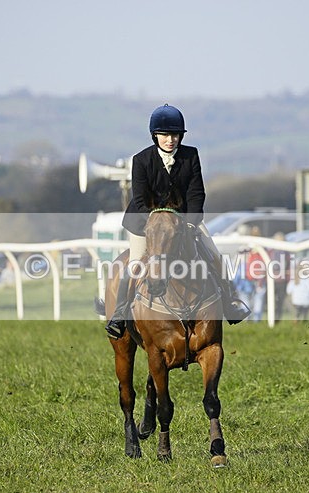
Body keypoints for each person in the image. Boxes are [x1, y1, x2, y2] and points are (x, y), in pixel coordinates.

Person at [105, 104, 250, 338]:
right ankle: (120, 314)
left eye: (175, 135)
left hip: (184, 221)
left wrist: (191, 223)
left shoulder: (190, 155)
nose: (171, 140)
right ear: (155, 136)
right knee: (134, 264)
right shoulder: (141, 160)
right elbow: (140, 200)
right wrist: (156, 223)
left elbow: (196, 194)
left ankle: (229, 303)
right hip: (145, 223)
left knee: (214, 255)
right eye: (165, 135)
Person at [269, 232, 292, 321]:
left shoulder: (286, 252)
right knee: (272, 300)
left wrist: (289, 277)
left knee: (280, 301)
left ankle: (277, 318)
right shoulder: (270, 252)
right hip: (272, 280)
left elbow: (289, 265)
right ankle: (273, 318)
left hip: (282, 280)